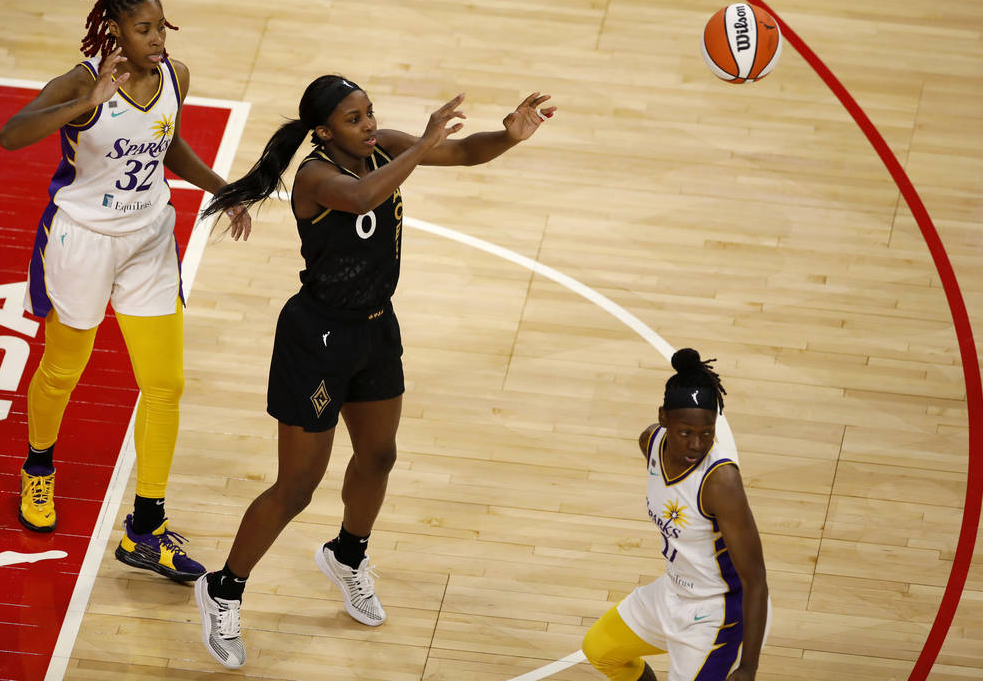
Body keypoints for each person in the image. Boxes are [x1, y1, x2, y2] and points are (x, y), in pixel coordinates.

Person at [190, 75, 556, 667]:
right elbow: (361, 199)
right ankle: (223, 589)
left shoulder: (383, 146)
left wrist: (507, 137)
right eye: (355, 119)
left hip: (375, 327)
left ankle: (348, 554)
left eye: (369, 115)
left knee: (379, 455)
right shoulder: (313, 177)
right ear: (323, 131)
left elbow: (461, 152)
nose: (367, 126)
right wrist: (419, 145)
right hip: (316, 340)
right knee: (296, 488)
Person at [0, 0, 251, 583]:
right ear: (113, 31)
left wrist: (225, 190)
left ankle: (146, 529)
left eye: (162, 26)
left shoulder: (174, 77)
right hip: (82, 241)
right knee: (65, 368)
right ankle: (38, 469)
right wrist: (82, 105)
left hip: (149, 240)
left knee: (165, 384)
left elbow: (171, 148)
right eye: (144, 29)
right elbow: (11, 135)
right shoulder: (82, 81)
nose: (158, 38)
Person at [581, 348, 769, 681]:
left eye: (707, 432)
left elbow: (755, 582)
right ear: (664, 419)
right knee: (600, 650)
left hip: (716, 614)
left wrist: (749, 667)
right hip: (671, 592)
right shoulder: (651, 442)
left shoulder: (720, 482)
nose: (697, 444)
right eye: (686, 433)